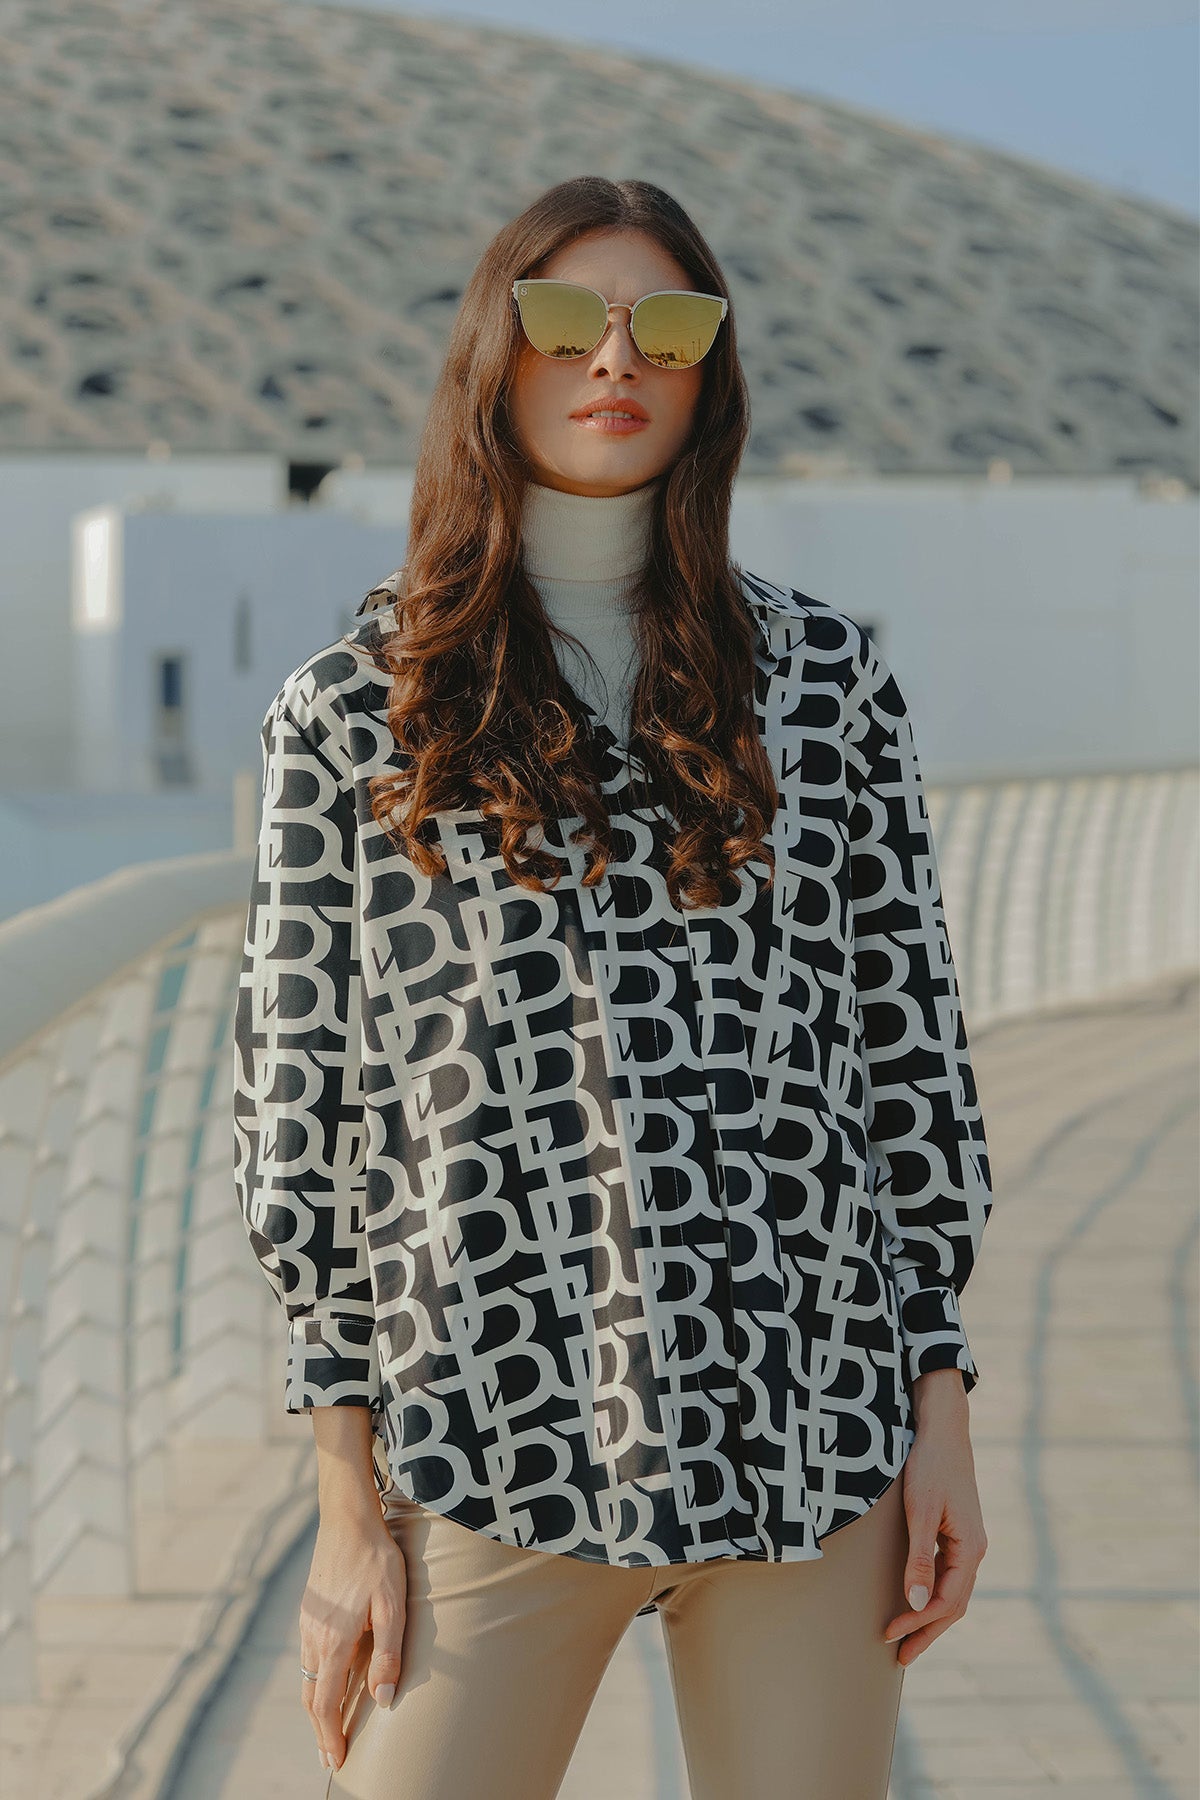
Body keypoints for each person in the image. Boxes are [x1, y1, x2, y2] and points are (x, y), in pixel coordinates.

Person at [233, 175, 993, 1800]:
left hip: (811, 1432)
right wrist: (347, 1508)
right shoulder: (359, 708)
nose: (615, 360)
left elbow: (908, 1066)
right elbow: (304, 1119)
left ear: (714, 372)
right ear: (495, 353)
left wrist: (943, 1414)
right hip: (488, 1435)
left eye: (673, 326)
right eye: (568, 318)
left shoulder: (825, 685)